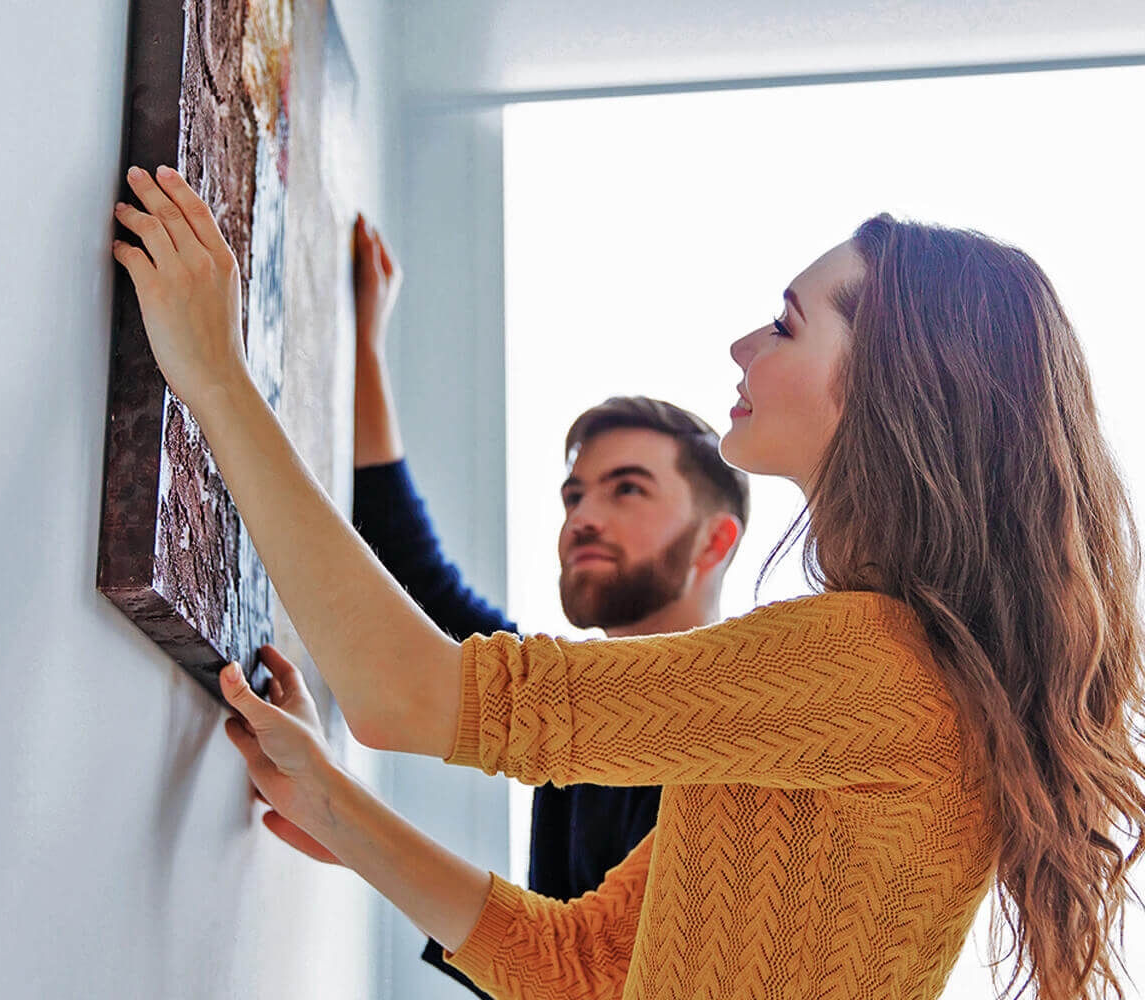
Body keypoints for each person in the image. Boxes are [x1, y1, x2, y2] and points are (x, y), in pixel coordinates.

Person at [109, 164, 1144, 999]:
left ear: (891, 385)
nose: (742, 344)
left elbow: (403, 695)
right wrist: (334, 808)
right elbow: (583, 970)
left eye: (787, 323)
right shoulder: (858, 676)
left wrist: (213, 373)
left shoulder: (870, 663)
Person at [344, 216, 750, 994]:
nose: (582, 517)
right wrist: (364, 342)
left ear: (714, 541)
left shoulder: (732, 746)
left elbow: (576, 975)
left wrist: (348, 821)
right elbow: (411, 574)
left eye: (626, 488)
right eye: (574, 494)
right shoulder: (570, 701)